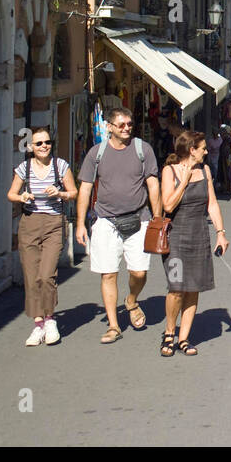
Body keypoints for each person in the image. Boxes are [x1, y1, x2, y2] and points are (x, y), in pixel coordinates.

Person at [75, 106, 162, 344]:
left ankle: (132, 299)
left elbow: (153, 184)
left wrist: (158, 218)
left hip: (139, 218)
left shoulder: (143, 149)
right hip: (105, 221)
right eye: (121, 125)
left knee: (139, 272)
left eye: (129, 124)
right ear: (109, 127)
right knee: (108, 274)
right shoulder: (96, 153)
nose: (126, 128)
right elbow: (85, 188)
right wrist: (80, 223)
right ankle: (114, 326)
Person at [159, 131, 228, 357]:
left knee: (193, 288)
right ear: (192, 150)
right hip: (176, 237)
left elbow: (212, 205)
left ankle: (184, 338)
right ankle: (170, 332)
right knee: (177, 287)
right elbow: (168, 206)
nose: (206, 152)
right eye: (203, 148)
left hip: (199, 235)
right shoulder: (169, 171)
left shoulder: (205, 170)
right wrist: (185, 180)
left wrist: (220, 233)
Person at [7, 125, 78, 346]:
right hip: (29, 223)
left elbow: (73, 192)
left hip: (53, 223)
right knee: (31, 276)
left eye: (47, 142)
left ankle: (50, 319)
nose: (44, 146)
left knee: (46, 275)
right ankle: (38, 324)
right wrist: (22, 197)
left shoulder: (60, 166)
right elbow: (11, 194)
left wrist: (60, 193)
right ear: (31, 147)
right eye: (39, 143)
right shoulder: (23, 168)